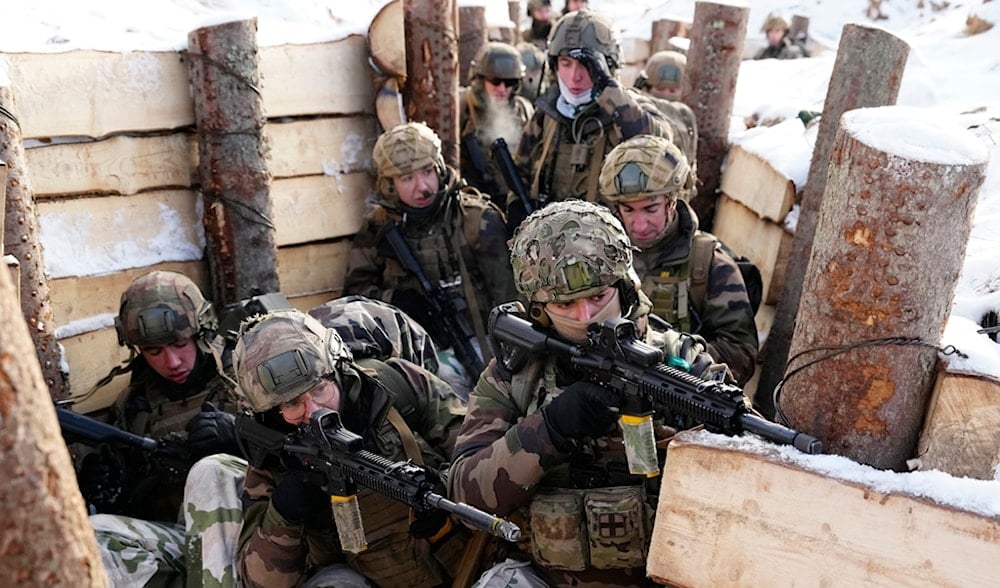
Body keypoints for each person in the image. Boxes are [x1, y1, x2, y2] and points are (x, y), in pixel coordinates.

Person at [448, 200, 724, 587]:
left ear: (624, 286)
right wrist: (549, 429)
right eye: (564, 304)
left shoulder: (678, 361)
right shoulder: (516, 373)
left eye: (598, 297)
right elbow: (464, 496)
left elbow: (748, 472)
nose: (585, 316)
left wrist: (676, 439)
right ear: (539, 310)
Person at [232, 309, 469, 587]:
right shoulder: (273, 455)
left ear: (338, 373)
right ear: (272, 413)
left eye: (320, 389)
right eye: (293, 404)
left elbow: (481, 454)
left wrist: (446, 487)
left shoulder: (391, 387)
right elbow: (256, 582)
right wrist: (283, 516)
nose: (314, 412)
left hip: (461, 567)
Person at [72, 270, 245, 586]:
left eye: (179, 344)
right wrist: (116, 485)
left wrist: (236, 437)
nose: (172, 361)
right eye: (154, 352)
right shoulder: (135, 405)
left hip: (252, 531)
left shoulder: (244, 374)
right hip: (185, 541)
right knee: (96, 534)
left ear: (201, 331)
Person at [343, 121, 517, 396]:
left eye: (426, 172)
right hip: (414, 347)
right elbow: (355, 296)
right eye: (407, 178)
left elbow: (510, 299)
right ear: (390, 184)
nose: (422, 187)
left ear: (438, 169)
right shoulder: (379, 227)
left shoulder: (476, 219)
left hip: (482, 340)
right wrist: (397, 303)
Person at [598, 135, 759, 386]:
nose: (639, 225)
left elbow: (741, 355)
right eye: (628, 210)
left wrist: (677, 356)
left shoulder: (709, 265)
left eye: (650, 209)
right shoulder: (601, 255)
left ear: (672, 202)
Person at [507, 9, 674, 233]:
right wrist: (516, 208)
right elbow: (521, 173)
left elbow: (661, 145)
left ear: (608, 66)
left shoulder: (626, 108)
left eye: (586, 65)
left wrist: (609, 92)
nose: (575, 76)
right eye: (566, 64)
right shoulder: (547, 112)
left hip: (610, 246)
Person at [460, 41, 535, 204]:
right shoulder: (461, 107)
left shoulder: (524, 110)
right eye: (495, 81)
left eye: (510, 83)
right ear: (479, 79)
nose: (502, 89)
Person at [632, 50, 698, 169]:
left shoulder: (685, 116)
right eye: (660, 89)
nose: (666, 95)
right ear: (645, 87)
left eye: (672, 91)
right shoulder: (635, 110)